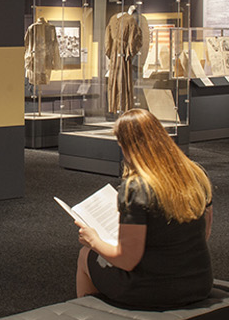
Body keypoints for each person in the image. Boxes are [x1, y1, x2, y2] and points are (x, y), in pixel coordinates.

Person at [75, 108, 214, 308]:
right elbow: (205, 234)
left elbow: (127, 260)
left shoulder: (137, 188)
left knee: (85, 256)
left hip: (152, 289)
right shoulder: (195, 175)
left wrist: (93, 241)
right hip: (199, 283)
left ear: (127, 147)